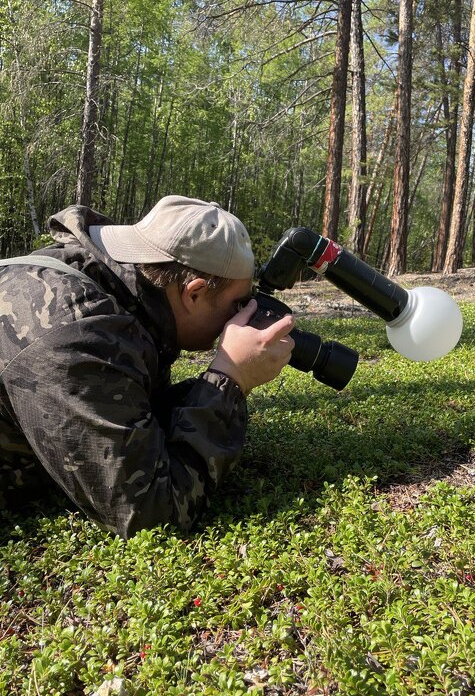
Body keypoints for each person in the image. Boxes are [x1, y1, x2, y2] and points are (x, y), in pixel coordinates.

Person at [0, 195, 295, 537]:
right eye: (237, 304)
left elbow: (138, 413)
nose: (241, 317)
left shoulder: (110, 284)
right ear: (194, 293)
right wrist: (230, 377)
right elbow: (151, 513)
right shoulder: (77, 334)